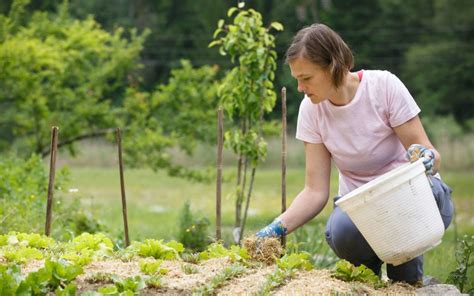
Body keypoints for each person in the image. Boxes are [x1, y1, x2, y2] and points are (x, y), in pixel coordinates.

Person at [256, 23, 454, 285]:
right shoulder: (310, 110)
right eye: (297, 79)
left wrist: (426, 159)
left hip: (412, 200)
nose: (300, 88)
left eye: (306, 78)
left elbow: (431, 155)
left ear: (333, 66)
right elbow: (315, 192)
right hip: (362, 209)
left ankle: (407, 281)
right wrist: (275, 228)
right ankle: (369, 283)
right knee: (341, 231)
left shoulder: (383, 87)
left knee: (404, 280)